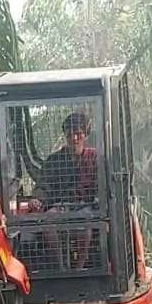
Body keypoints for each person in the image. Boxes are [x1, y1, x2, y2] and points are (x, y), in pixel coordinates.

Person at [38, 111, 98, 270]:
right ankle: (61, 267)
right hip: (61, 205)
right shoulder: (54, 160)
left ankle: (79, 268)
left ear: (85, 135)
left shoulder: (95, 157)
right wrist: (37, 199)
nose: (75, 138)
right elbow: (43, 184)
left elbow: (102, 184)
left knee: (85, 223)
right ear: (66, 136)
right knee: (48, 219)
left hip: (84, 206)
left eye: (79, 134)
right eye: (71, 134)